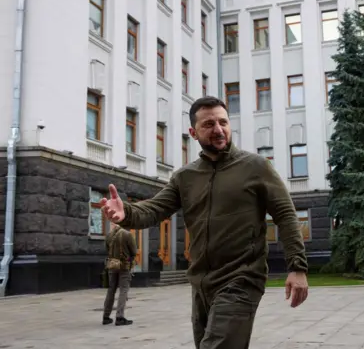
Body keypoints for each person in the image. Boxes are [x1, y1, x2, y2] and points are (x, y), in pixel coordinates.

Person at [98, 96, 310, 348]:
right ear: (193, 132)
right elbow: (155, 209)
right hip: (201, 285)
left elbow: (285, 214)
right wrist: (127, 213)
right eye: (209, 124)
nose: (219, 129)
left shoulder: (255, 167)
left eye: (223, 122)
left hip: (241, 278)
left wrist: (297, 267)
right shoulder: (185, 177)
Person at [102, 223, 137, 326]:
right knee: (123, 290)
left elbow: (107, 250)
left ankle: (106, 316)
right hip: (124, 266)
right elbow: (134, 251)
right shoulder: (127, 234)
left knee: (111, 290)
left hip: (112, 265)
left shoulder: (109, 235)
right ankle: (119, 317)